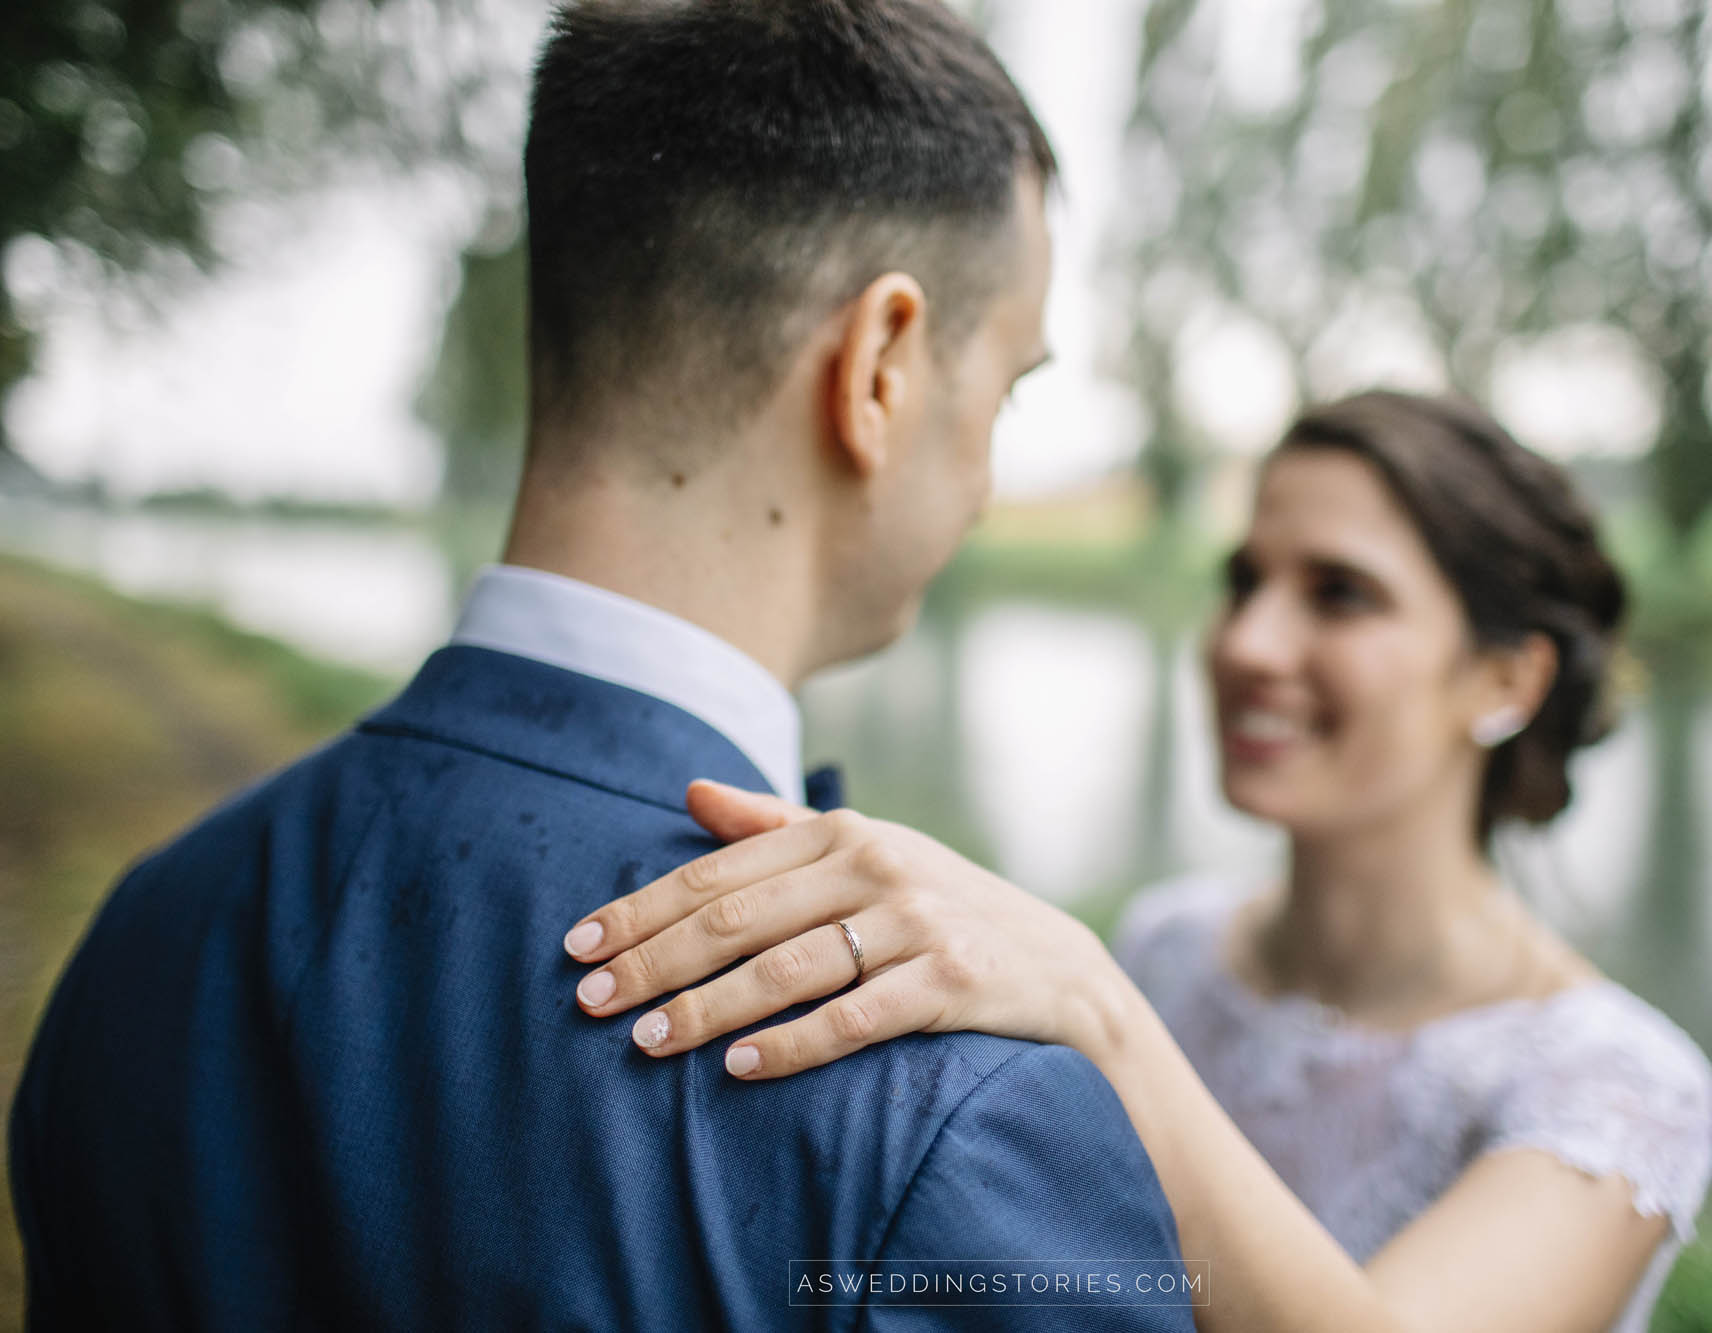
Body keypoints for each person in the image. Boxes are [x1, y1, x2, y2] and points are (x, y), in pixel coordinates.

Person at [7, 2, 1199, 1328]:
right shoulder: (954, 1102)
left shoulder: (147, 936)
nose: (989, 478)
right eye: (1008, 389)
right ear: (881, 367)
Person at [561, 391, 1712, 1332]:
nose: (1248, 644)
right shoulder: (1170, 944)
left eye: (1339, 594)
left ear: (1507, 680)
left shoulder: (1612, 1085)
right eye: (1241, 581)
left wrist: (1094, 1007)